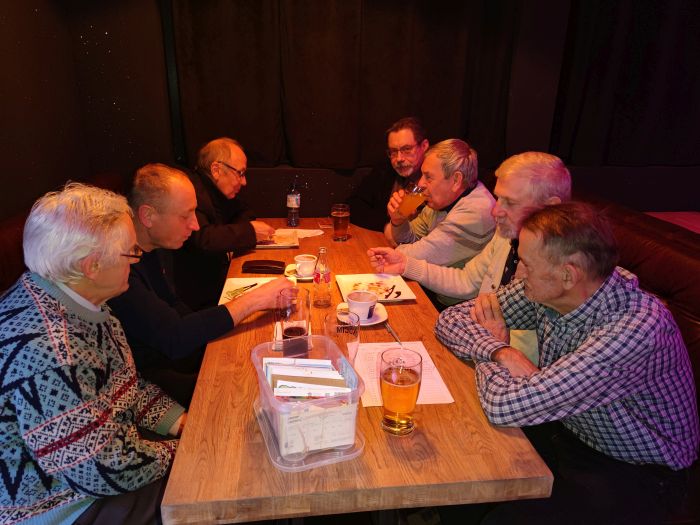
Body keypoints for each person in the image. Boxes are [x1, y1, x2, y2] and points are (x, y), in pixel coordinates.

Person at [435, 202, 699, 524]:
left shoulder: (635, 329)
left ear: (568, 274)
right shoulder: (552, 290)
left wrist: (491, 347)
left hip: (639, 472)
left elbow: (503, 405)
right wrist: (502, 352)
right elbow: (451, 320)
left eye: (527, 264)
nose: (519, 271)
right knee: (463, 472)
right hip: (571, 431)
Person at [0, 183, 185, 525]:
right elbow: (100, 470)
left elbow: (124, 388)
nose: (137, 260)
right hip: (59, 505)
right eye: (131, 252)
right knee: (208, 487)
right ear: (92, 267)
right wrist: (185, 450)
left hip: (99, 462)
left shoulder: (81, 302)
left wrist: (181, 422)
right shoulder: (48, 350)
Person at [108, 164, 291, 407]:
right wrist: (254, 300)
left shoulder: (153, 248)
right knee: (253, 391)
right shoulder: (120, 271)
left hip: (175, 365)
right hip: (150, 391)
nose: (195, 225)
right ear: (148, 216)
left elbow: (176, 308)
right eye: (186, 216)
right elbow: (174, 338)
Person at [369, 151, 571, 357]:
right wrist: (405, 264)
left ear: (550, 207)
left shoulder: (563, 272)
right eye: (498, 198)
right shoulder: (506, 235)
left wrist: (496, 349)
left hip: (502, 365)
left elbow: (535, 368)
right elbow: (467, 281)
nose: (495, 211)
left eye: (510, 202)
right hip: (480, 343)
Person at [383, 138, 495, 306]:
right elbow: (409, 240)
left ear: (456, 180)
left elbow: (410, 256)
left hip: (460, 308)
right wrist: (398, 220)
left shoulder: (474, 213)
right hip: (434, 294)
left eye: (428, 177)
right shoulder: (443, 199)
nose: (420, 183)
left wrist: (394, 247)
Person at [174, 137, 276, 309]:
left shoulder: (217, 190)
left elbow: (244, 211)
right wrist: (249, 231)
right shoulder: (192, 191)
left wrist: (242, 229)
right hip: (196, 300)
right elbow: (204, 239)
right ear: (216, 170)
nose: (244, 182)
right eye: (240, 173)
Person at [347, 117, 430, 231]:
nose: (399, 158)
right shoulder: (385, 169)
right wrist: (387, 226)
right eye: (393, 151)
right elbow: (353, 206)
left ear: (424, 146)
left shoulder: (438, 176)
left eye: (407, 149)